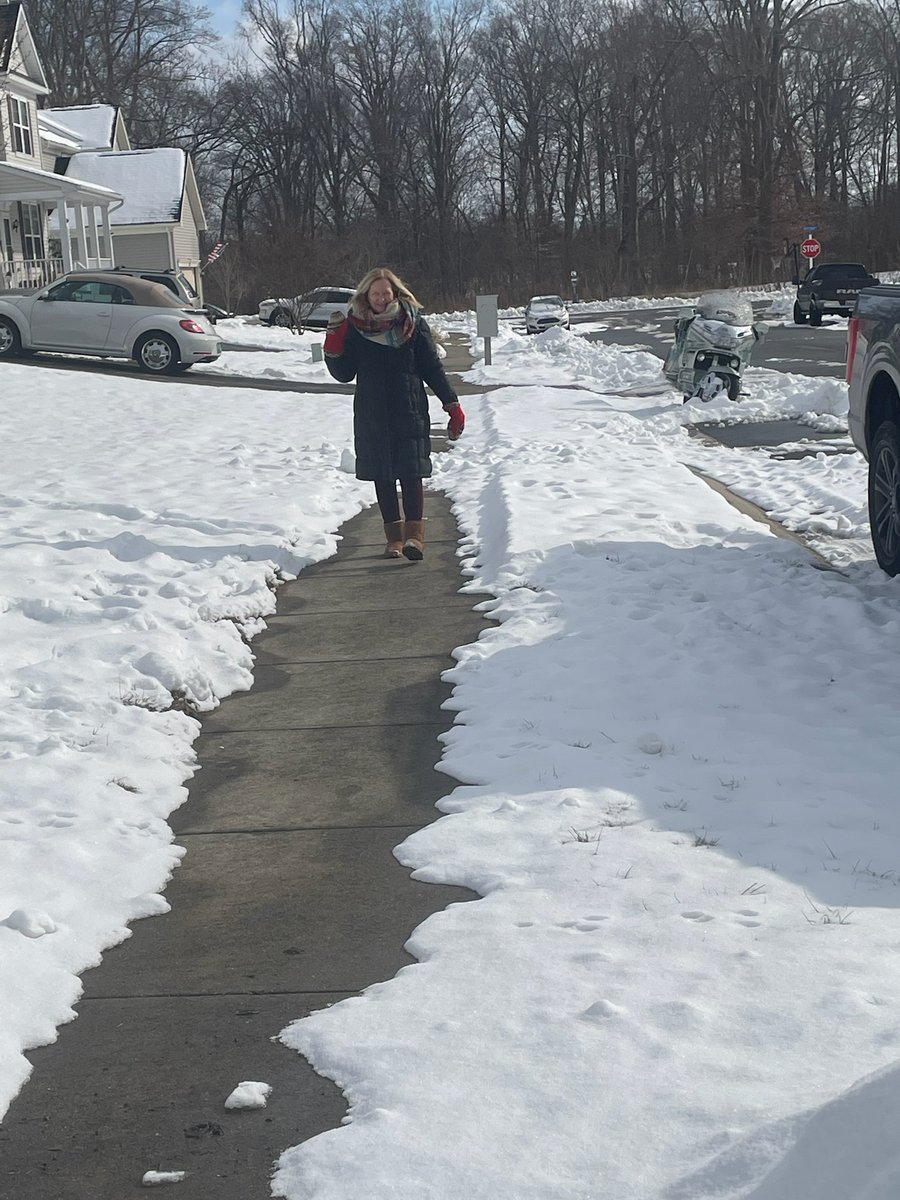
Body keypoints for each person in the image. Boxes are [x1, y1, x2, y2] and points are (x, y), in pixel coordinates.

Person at [323, 266, 465, 561]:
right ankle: (394, 540)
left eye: (385, 293)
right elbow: (344, 373)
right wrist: (333, 345)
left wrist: (452, 404)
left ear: (395, 293)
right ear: (366, 295)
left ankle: (415, 538)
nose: (381, 299)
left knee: (412, 473)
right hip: (372, 412)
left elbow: (431, 368)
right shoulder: (355, 327)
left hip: (409, 409)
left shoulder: (412, 323)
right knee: (383, 476)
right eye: (375, 294)